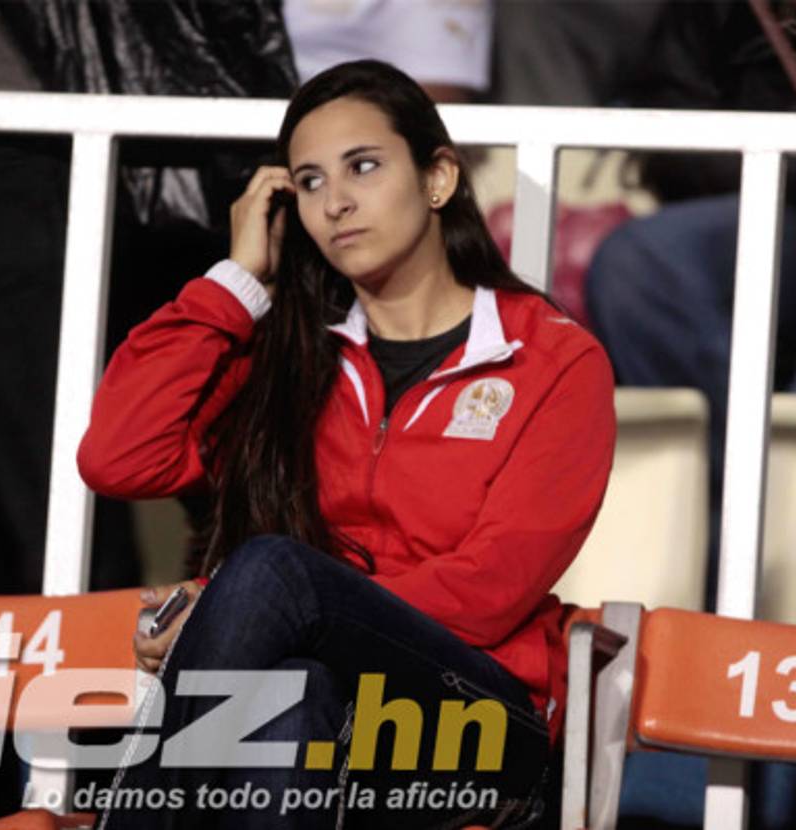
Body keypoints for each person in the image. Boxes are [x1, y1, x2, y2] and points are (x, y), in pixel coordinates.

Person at [78, 60, 616, 828]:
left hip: (480, 719)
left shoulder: (553, 359)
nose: (336, 203)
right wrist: (235, 281)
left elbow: (489, 591)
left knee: (271, 576)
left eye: (363, 166)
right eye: (309, 182)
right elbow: (116, 456)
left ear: (437, 179)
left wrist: (258, 605)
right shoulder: (289, 356)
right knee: (288, 705)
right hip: (314, 700)